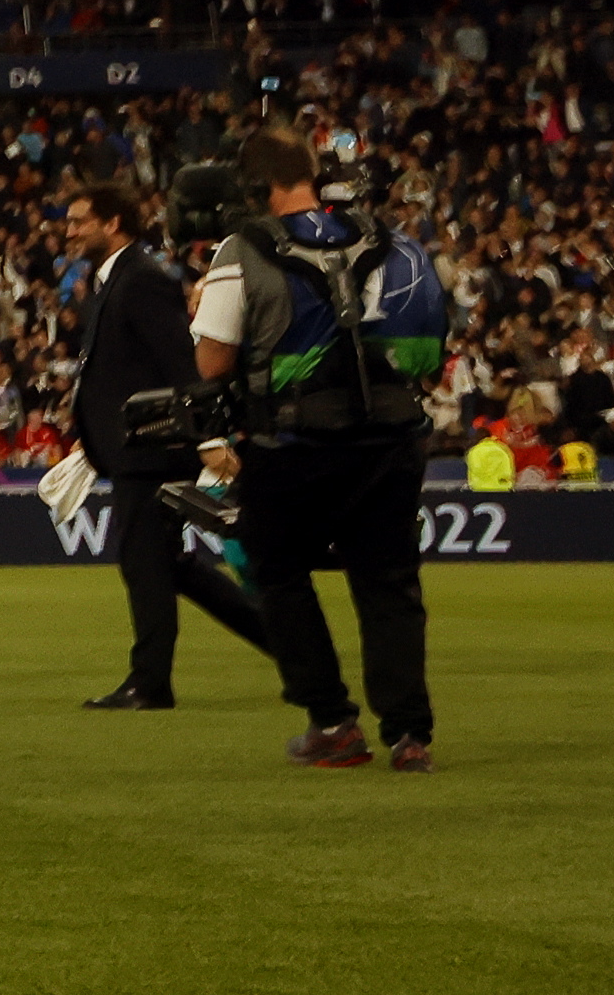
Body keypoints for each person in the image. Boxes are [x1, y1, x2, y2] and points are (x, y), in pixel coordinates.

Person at [194, 125, 451, 769]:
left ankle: (333, 723)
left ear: (256, 186)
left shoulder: (242, 249)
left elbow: (212, 362)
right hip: (389, 442)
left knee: (278, 573)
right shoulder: (391, 243)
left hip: (292, 444)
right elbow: (431, 354)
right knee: (389, 583)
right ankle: (409, 734)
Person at [59, 182, 261, 712]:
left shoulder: (141, 279)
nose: (70, 230)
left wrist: (210, 437)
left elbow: (179, 361)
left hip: (150, 452)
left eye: (79, 220)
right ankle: (288, 643)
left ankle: (150, 684)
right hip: (131, 449)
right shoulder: (113, 280)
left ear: (113, 224)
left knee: (145, 565)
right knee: (169, 566)